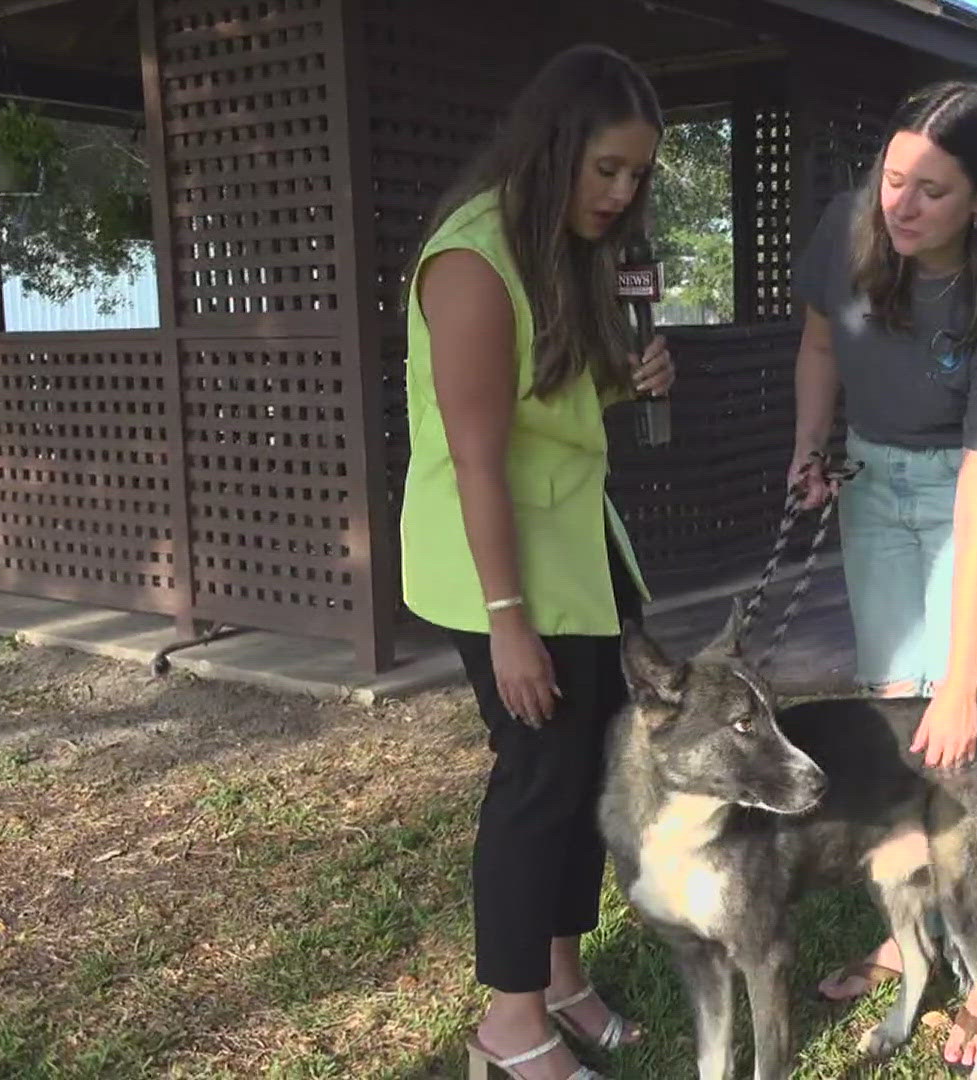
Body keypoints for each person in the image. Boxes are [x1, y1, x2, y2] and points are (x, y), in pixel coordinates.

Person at [398, 44, 672, 1080]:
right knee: (537, 777)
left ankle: (560, 969)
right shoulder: (472, 264)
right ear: (555, 145)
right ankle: (506, 1027)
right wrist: (508, 620)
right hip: (496, 564)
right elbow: (478, 457)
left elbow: (547, 408)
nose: (621, 192)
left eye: (638, 175)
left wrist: (628, 379)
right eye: (606, 168)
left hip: (578, 551)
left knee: (592, 766)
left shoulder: (561, 247)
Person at [787, 81, 977, 1070]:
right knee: (891, 725)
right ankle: (913, 943)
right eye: (892, 178)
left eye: (931, 192)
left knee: (968, 738)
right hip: (874, 475)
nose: (899, 206)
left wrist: (960, 678)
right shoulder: (849, 227)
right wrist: (812, 445)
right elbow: (822, 343)